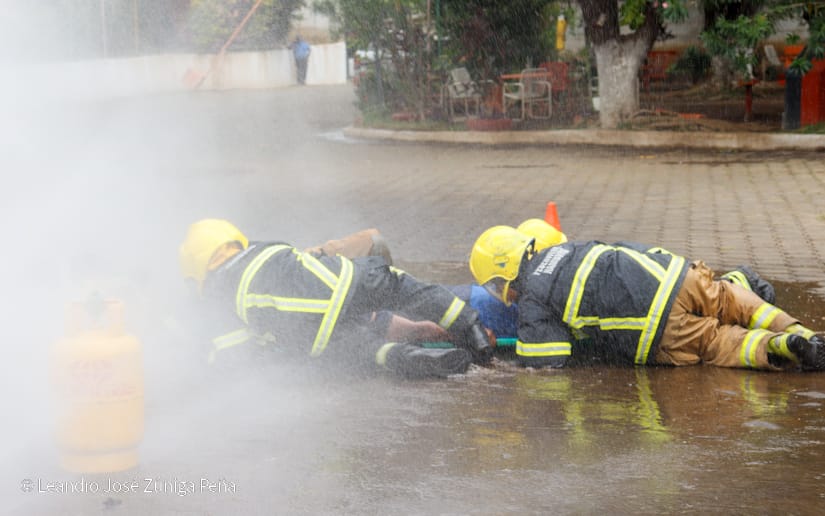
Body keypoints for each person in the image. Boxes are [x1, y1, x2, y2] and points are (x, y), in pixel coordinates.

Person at [468, 225, 825, 371]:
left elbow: (547, 361)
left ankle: (777, 348)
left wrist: (498, 362)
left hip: (655, 324)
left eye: (494, 289)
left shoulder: (532, 296)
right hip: (678, 275)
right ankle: (803, 333)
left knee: (717, 343)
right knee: (733, 300)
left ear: (502, 277)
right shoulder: (570, 248)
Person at [178, 219, 494, 379]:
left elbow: (238, 357)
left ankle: (408, 358)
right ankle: (471, 330)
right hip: (343, 284)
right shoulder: (266, 250)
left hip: (310, 336)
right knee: (401, 286)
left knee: (363, 352)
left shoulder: (222, 299)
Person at [454, 218, 777, 341]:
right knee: (706, 305)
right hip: (667, 280)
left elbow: (546, 362)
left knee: (702, 319)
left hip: (656, 297)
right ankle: (741, 284)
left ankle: (742, 284)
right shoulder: (577, 264)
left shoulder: (532, 297)